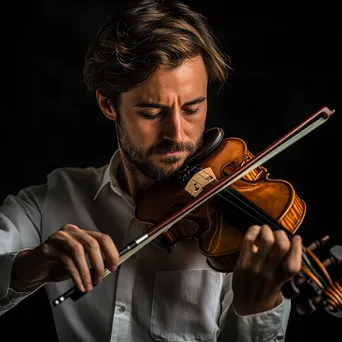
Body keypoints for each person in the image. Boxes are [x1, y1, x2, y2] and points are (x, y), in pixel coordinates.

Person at [0, 0, 302, 341]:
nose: (177, 133)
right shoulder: (51, 200)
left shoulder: (239, 239)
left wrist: (254, 309)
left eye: (192, 108)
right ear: (107, 104)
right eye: (152, 112)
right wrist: (30, 266)